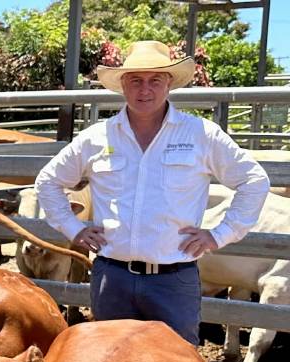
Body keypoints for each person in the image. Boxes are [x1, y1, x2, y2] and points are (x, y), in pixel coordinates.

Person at [35, 40, 269, 345]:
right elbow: (48, 182)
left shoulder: (200, 134)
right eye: (135, 80)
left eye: (155, 79)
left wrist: (219, 235)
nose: (145, 89)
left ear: (169, 83)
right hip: (112, 276)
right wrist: (74, 229)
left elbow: (254, 180)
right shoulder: (96, 137)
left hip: (173, 278)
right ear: (123, 85)